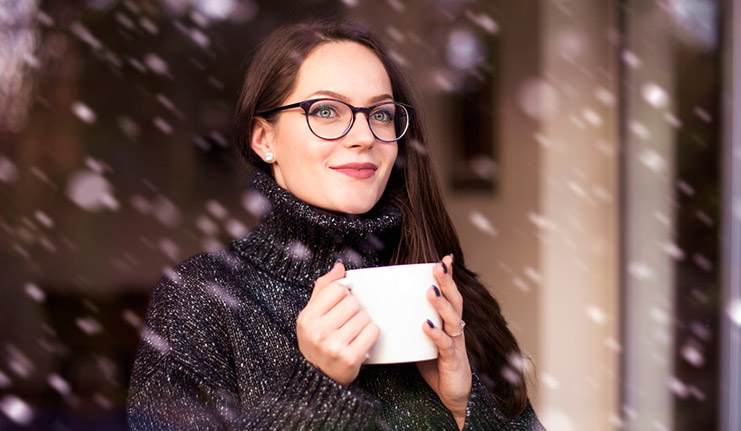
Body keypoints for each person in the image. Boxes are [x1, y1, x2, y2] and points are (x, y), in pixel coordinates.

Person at [128, 19, 545, 431]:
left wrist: (465, 406)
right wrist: (315, 390)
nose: (364, 135)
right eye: (326, 110)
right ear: (264, 139)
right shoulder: (200, 299)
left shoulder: (444, 291)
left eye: (380, 114)